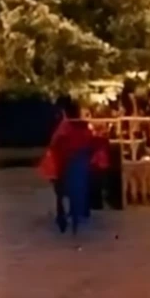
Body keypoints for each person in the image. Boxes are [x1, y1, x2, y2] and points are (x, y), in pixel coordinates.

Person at [39, 98, 106, 234]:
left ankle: (64, 212)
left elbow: (55, 144)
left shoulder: (65, 127)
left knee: (60, 186)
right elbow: (91, 141)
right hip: (78, 163)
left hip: (69, 162)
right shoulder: (79, 126)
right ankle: (76, 212)